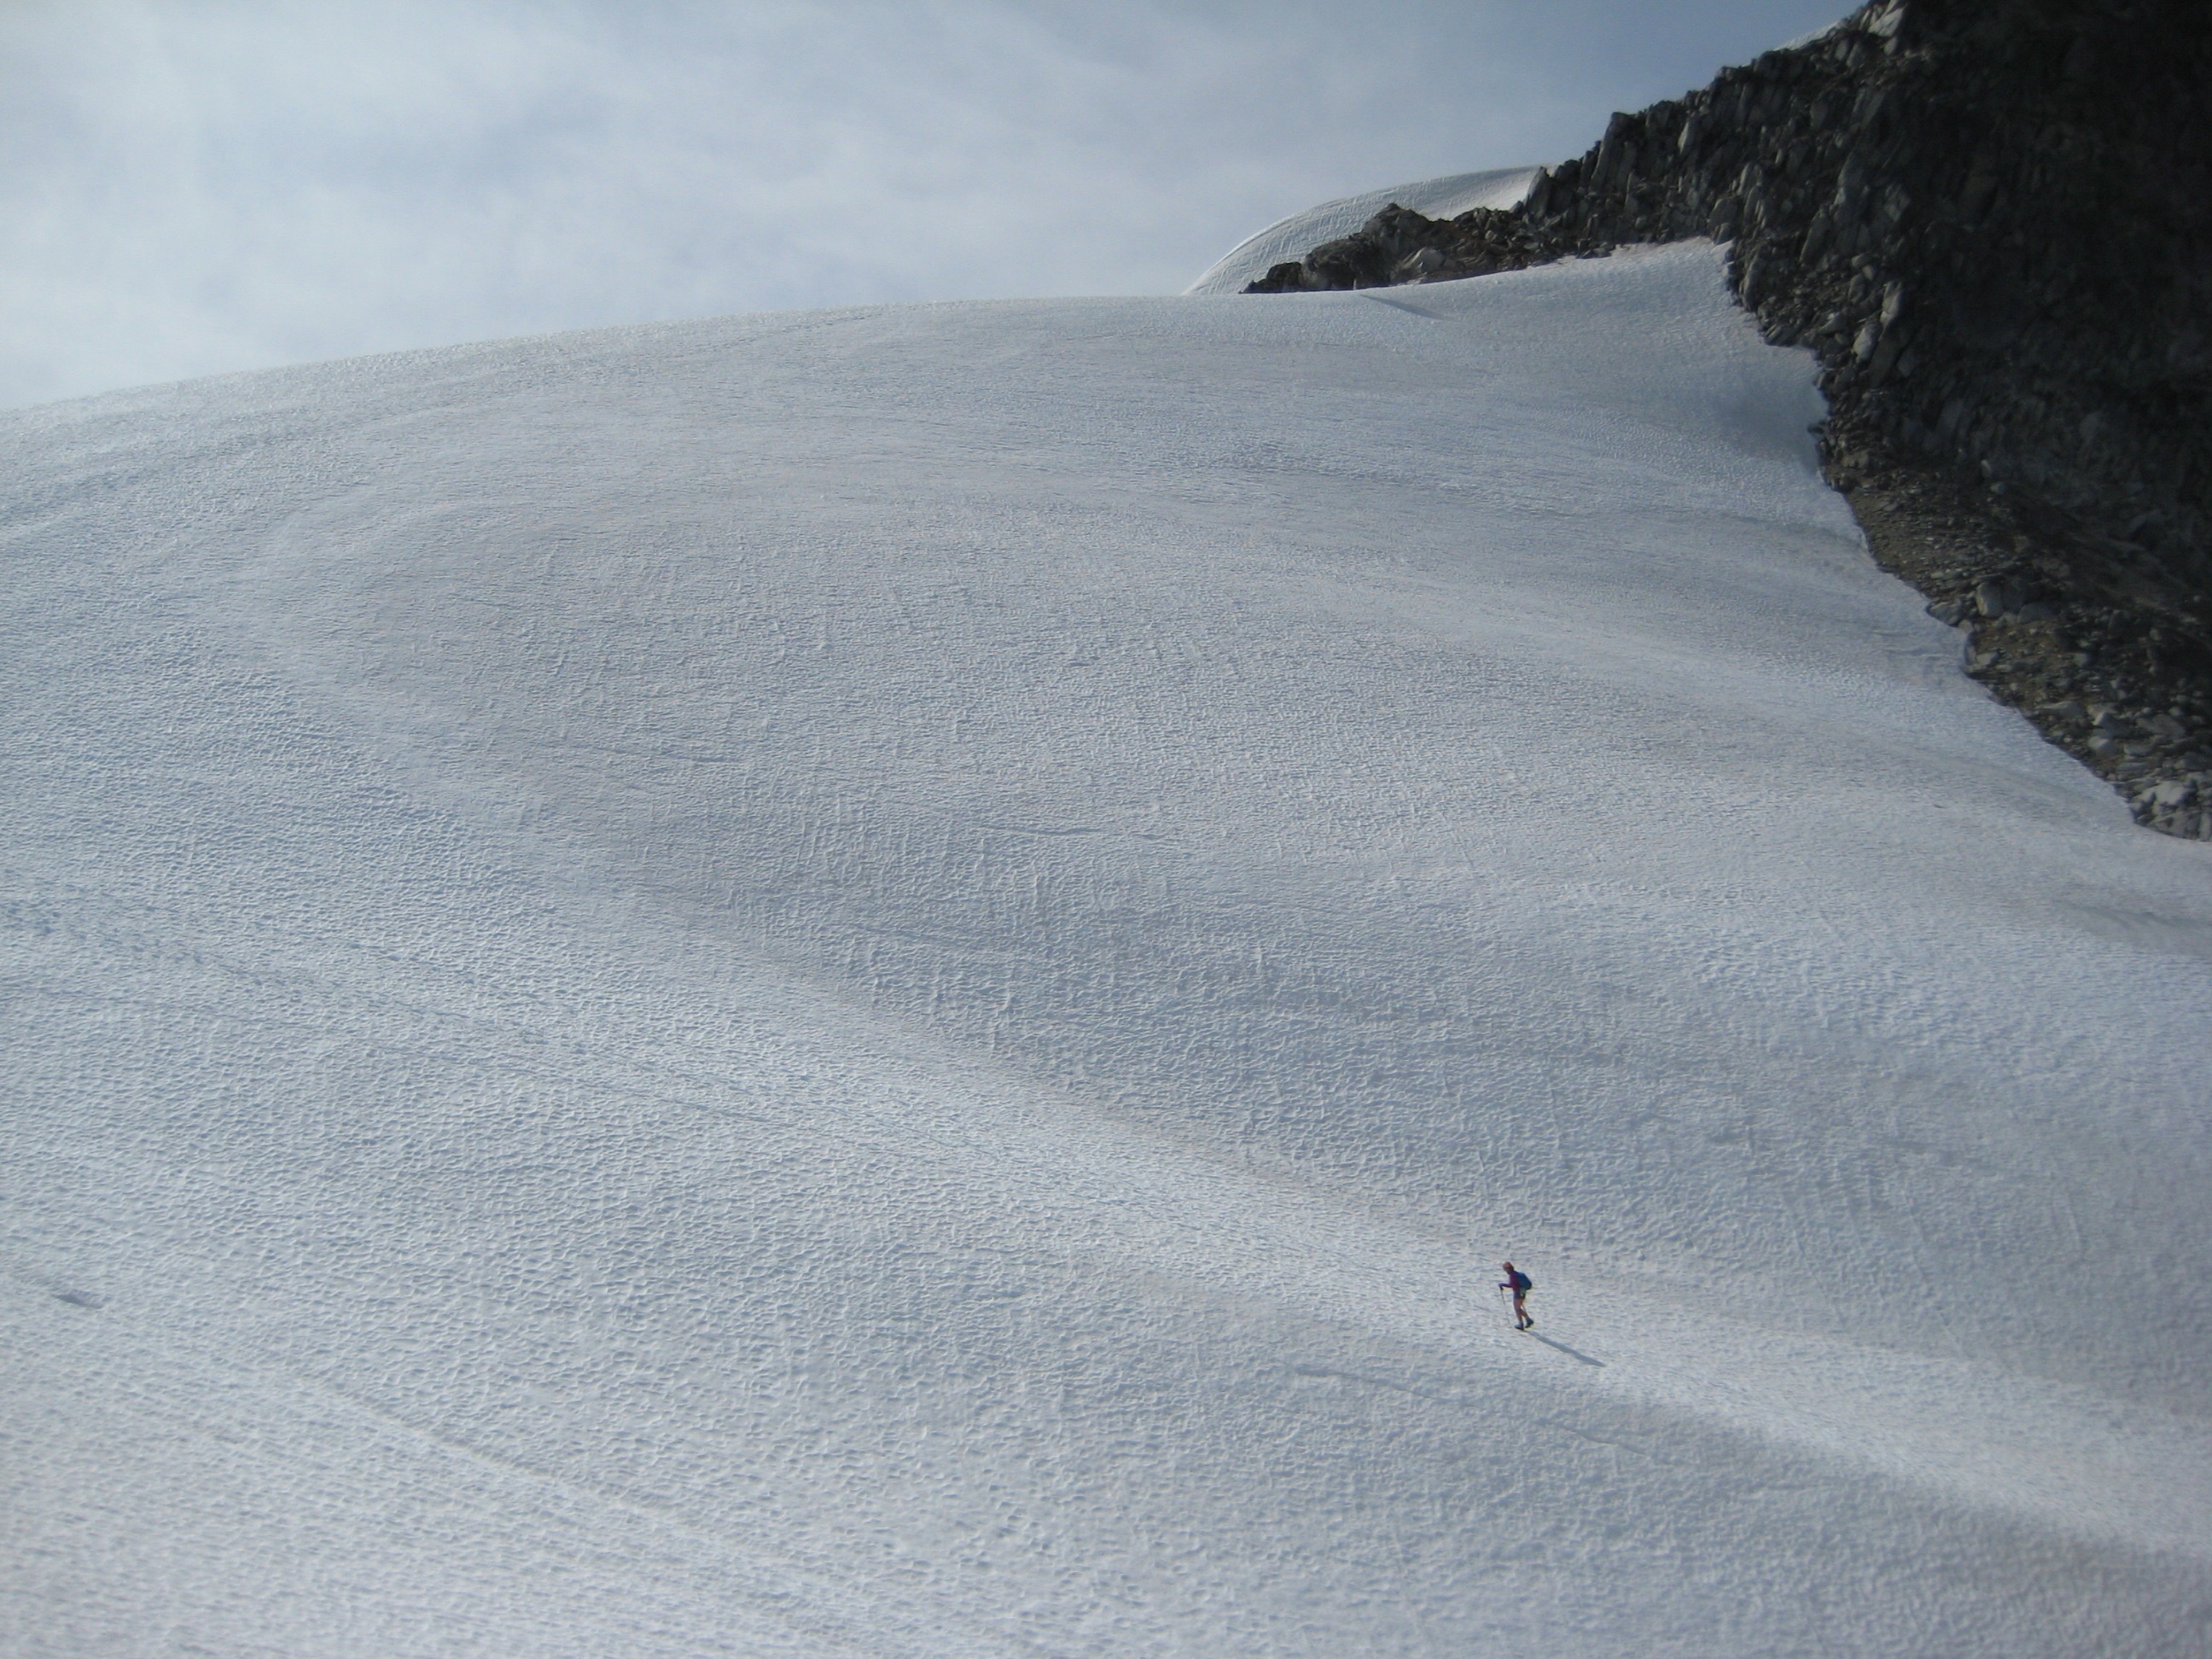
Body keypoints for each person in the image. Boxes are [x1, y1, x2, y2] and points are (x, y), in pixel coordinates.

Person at [1499, 1260, 1534, 1329]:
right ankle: (1528, 1320)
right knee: (1518, 1308)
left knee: (1517, 1309)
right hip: (1523, 1292)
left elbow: (1511, 1285)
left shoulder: (1512, 1275)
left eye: (1505, 1269)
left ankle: (1522, 1324)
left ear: (1508, 1269)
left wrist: (1502, 1284)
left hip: (1517, 1293)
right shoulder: (1516, 1274)